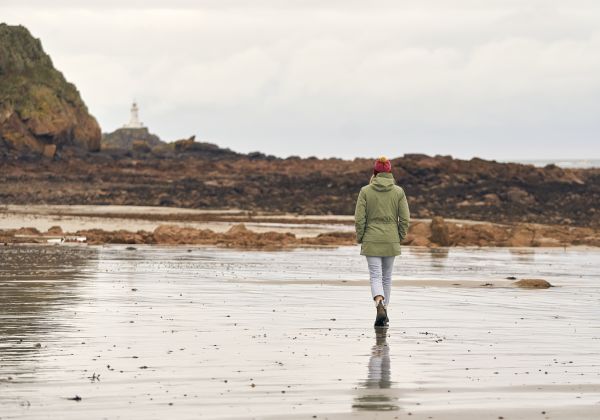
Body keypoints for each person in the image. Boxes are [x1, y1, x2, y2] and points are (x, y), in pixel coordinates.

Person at [354, 156, 410, 327]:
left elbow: (359, 219)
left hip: (371, 239)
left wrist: (361, 237)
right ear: (390, 172)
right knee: (387, 277)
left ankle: (379, 303)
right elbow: (405, 219)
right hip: (391, 239)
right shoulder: (398, 192)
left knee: (376, 276)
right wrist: (399, 237)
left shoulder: (365, 191)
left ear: (375, 172)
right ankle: (384, 310)